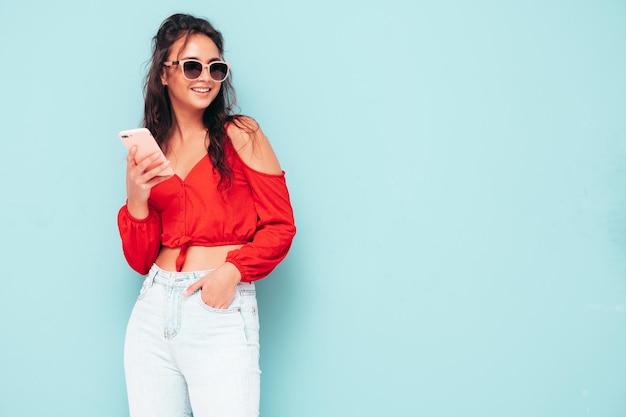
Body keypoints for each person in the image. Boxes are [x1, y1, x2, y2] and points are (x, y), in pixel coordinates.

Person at [117, 13, 296, 417]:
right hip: (152, 309)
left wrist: (231, 273)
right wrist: (136, 201)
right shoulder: (150, 149)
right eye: (192, 65)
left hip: (217, 307)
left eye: (216, 68)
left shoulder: (241, 133)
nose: (206, 78)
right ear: (164, 74)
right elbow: (139, 260)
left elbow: (281, 225)